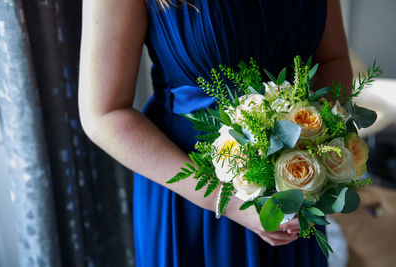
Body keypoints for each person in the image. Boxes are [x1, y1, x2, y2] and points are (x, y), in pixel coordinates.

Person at [78, 0, 352, 266]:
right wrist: (227, 201)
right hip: (192, 192)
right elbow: (104, 114)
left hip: (291, 192)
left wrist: (313, 145)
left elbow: (332, 59)